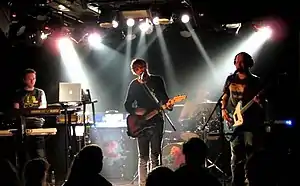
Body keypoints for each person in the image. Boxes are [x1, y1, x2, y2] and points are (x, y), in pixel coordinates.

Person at [124, 58, 173, 186]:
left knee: (155, 155)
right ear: (135, 71)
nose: (142, 70)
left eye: (143, 66)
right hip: (141, 124)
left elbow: (164, 97)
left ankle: (155, 183)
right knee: (143, 157)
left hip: (157, 121)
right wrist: (136, 111)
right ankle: (142, 184)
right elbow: (127, 105)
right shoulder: (134, 85)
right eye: (138, 68)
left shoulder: (157, 80)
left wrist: (168, 104)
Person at [221, 52, 266, 186]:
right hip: (234, 122)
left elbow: (263, 103)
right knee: (235, 157)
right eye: (237, 61)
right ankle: (236, 183)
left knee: (251, 156)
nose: (239, 64)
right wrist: (223, 110)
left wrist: (260, 101)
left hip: (251, 123)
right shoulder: (230, 79)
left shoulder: (256, 81)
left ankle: (251, 182)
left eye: (242, 61)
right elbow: (225, 96)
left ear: (249, 63)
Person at [13, 68, 47, 160]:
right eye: (30, 79)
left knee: (40, 154)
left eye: (34, 78)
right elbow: (16, 109)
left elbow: (43, 109)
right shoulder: (18, 93)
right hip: (23, 124)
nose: (32, 81)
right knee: (23, 155)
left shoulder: (40, 93)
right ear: (24, 80)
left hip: (37, 123)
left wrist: (31, 112)